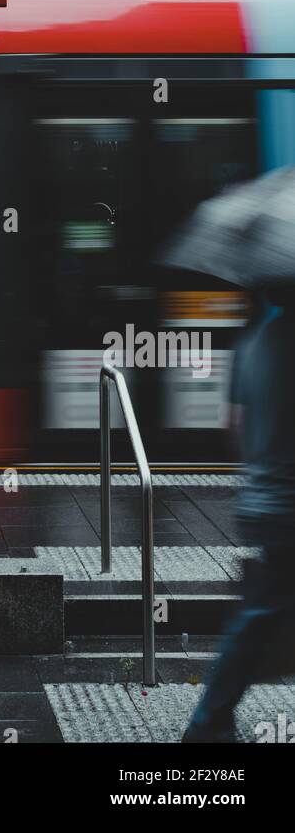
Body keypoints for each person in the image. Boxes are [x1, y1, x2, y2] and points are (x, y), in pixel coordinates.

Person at [182, 291, 295, 742]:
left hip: (263, 500)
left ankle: (210, 721)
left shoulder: (253, 341)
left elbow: (234, 424)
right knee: (260, 616)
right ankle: (207, 723)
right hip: (288, 505)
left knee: (263, 612)